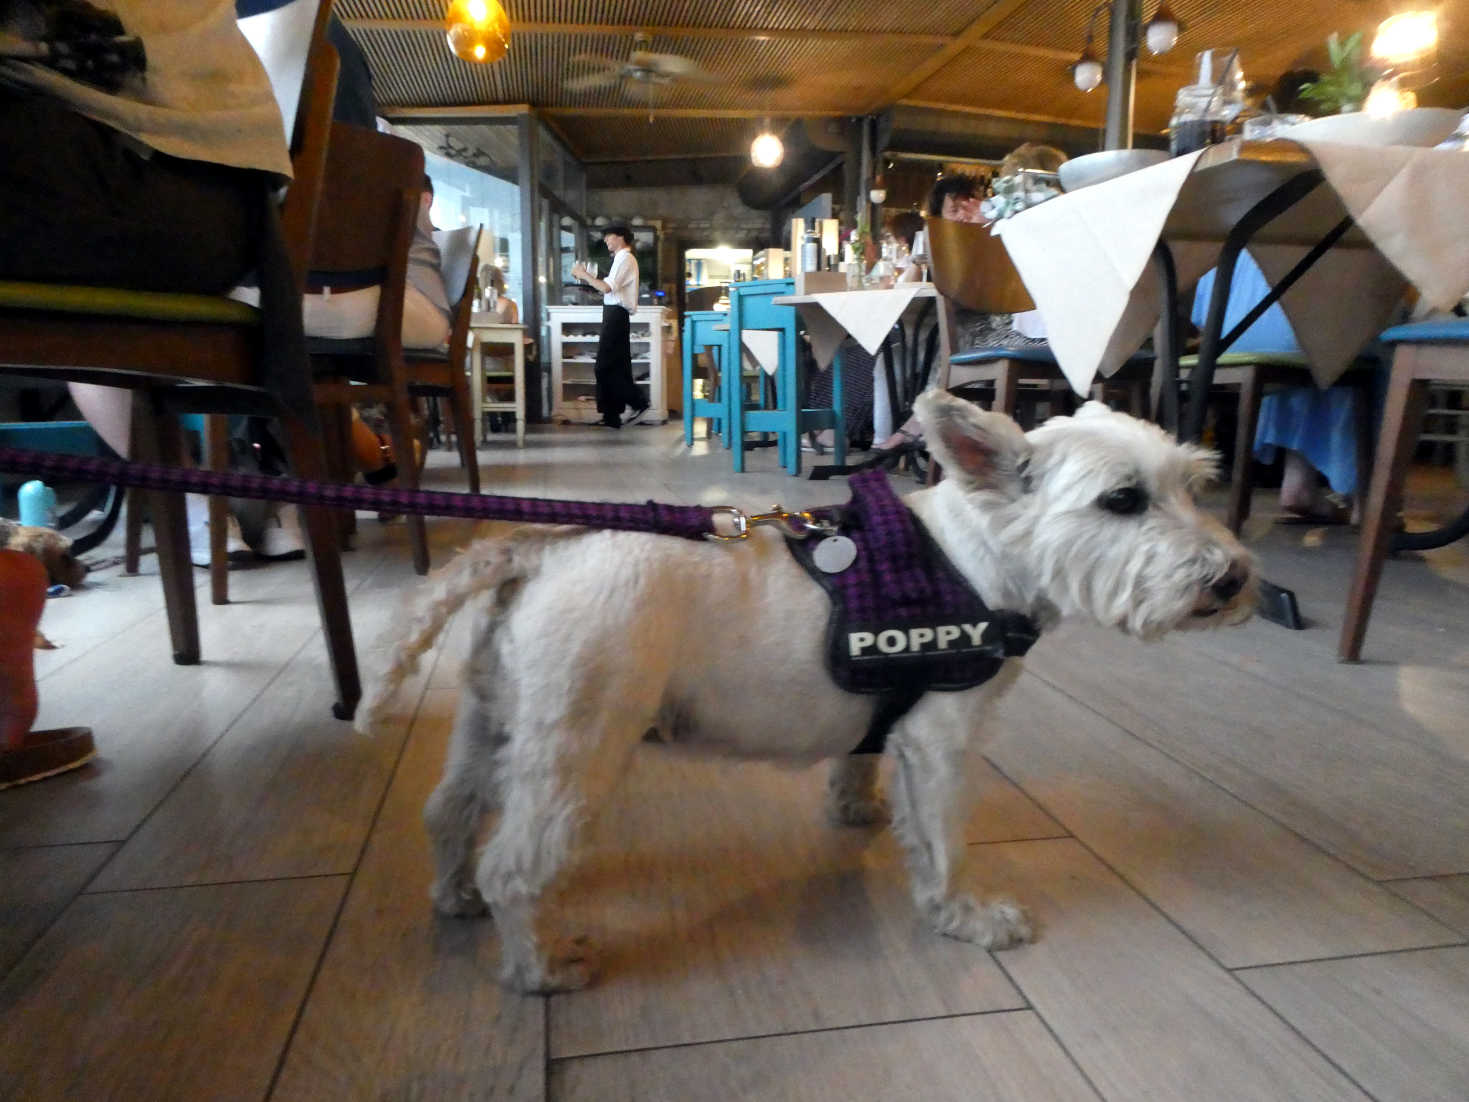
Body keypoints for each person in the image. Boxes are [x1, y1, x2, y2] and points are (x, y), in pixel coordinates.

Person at [570, 225, 647, 429]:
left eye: (608, 237)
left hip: (616, 316)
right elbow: (609, 291)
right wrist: (589, 286)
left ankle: (639, 402)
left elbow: (607, 287)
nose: (605, 241)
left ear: (620, 237)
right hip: (614, 314)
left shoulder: (625, 258)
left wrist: (583, 274)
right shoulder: (621, 259)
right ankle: (612, 417)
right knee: (616, 367)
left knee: (604, 367)